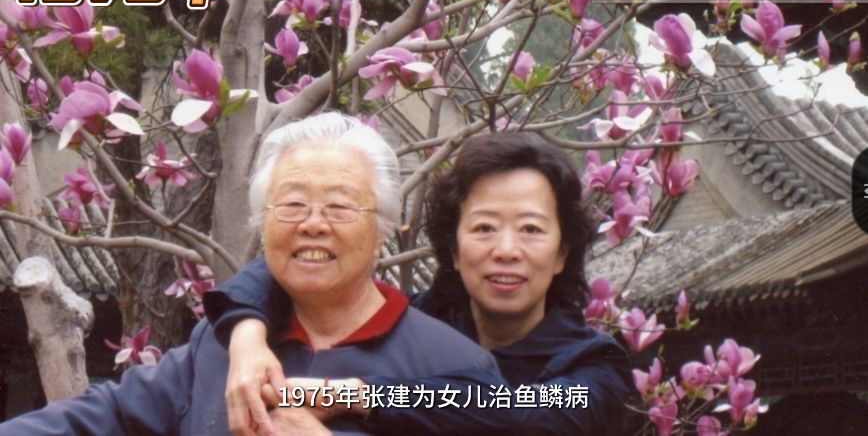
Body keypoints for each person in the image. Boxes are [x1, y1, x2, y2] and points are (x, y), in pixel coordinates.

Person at [0, 113, 498, 436]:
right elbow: (108, 414)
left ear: (382, 228)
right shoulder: (221, 344)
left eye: (340, 207)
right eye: (292, 205)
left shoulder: (456, 366)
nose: (313, 224)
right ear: (263, 224)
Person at [205, 131, 632, 436]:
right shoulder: (417, 323)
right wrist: (247, 337)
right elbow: (303, 269)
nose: (506, 250)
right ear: (453, 249)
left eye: (531, 230)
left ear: (562, 253)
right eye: (483, 228)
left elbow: (516, 410)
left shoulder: (596, 366)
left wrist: (357, 396)